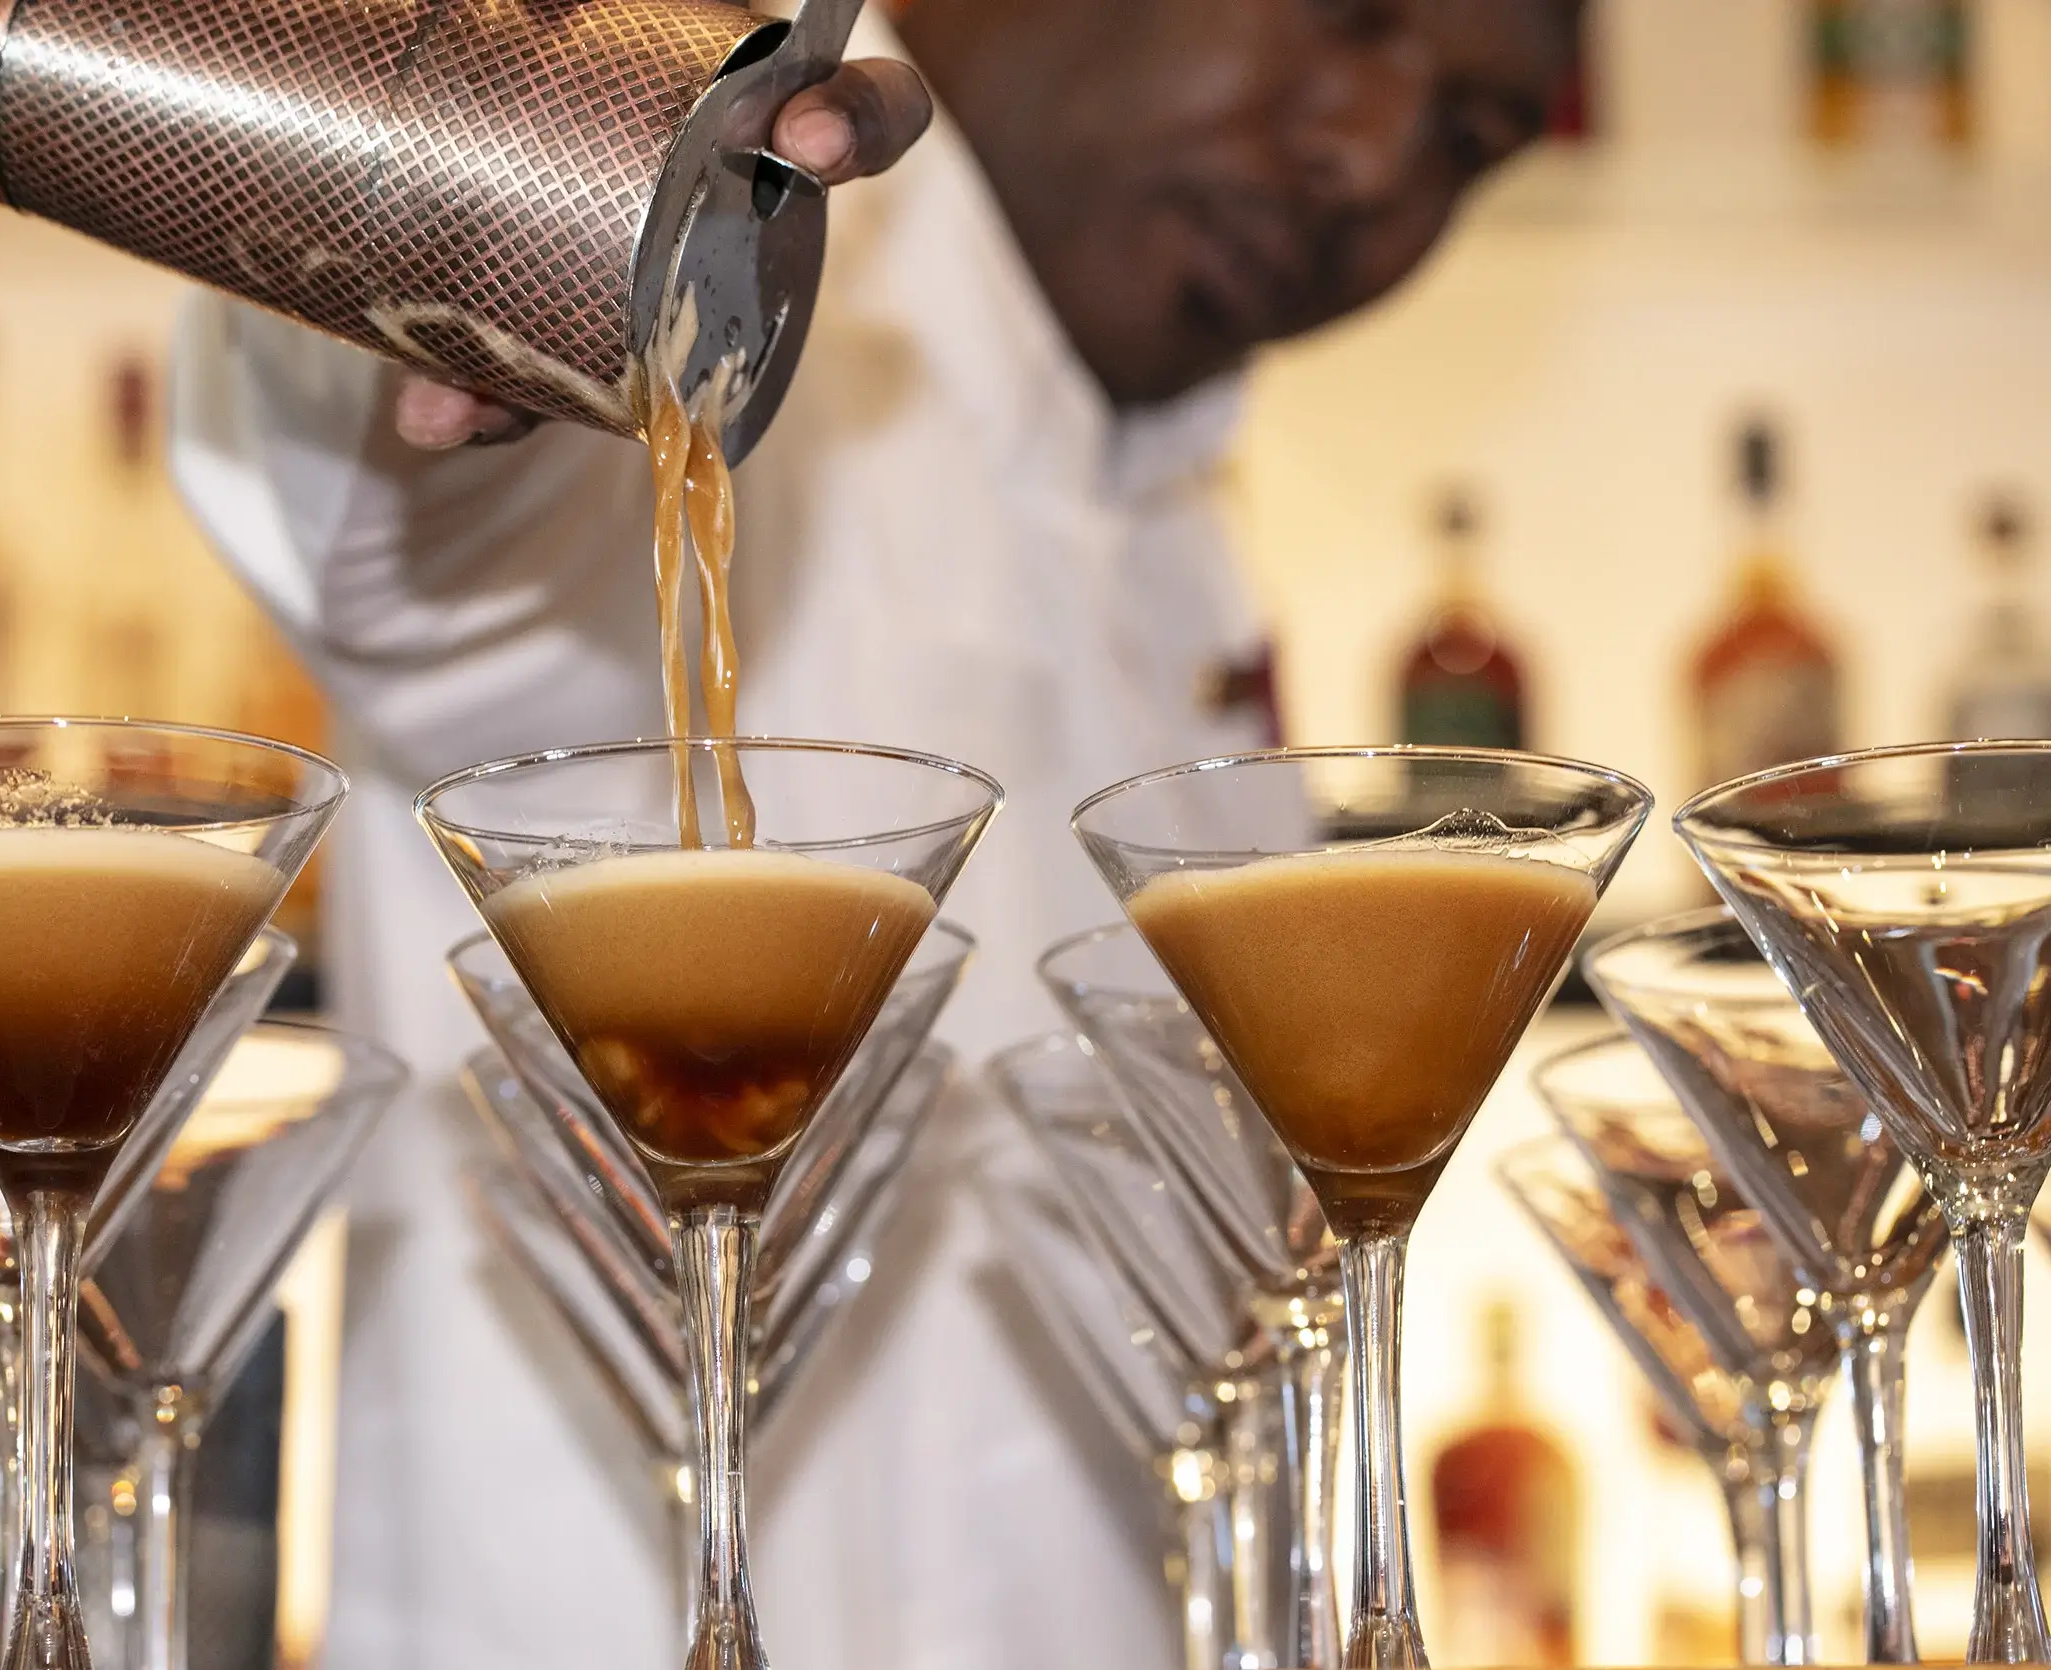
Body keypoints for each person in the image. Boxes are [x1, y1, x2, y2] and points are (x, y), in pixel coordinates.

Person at [169, 2, 1584, 1665]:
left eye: (1470, 137)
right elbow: (402, 491)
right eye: (1352, 15)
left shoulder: (1179, 535)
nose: (1370, 157)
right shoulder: (731, 282)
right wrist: (501, 200)